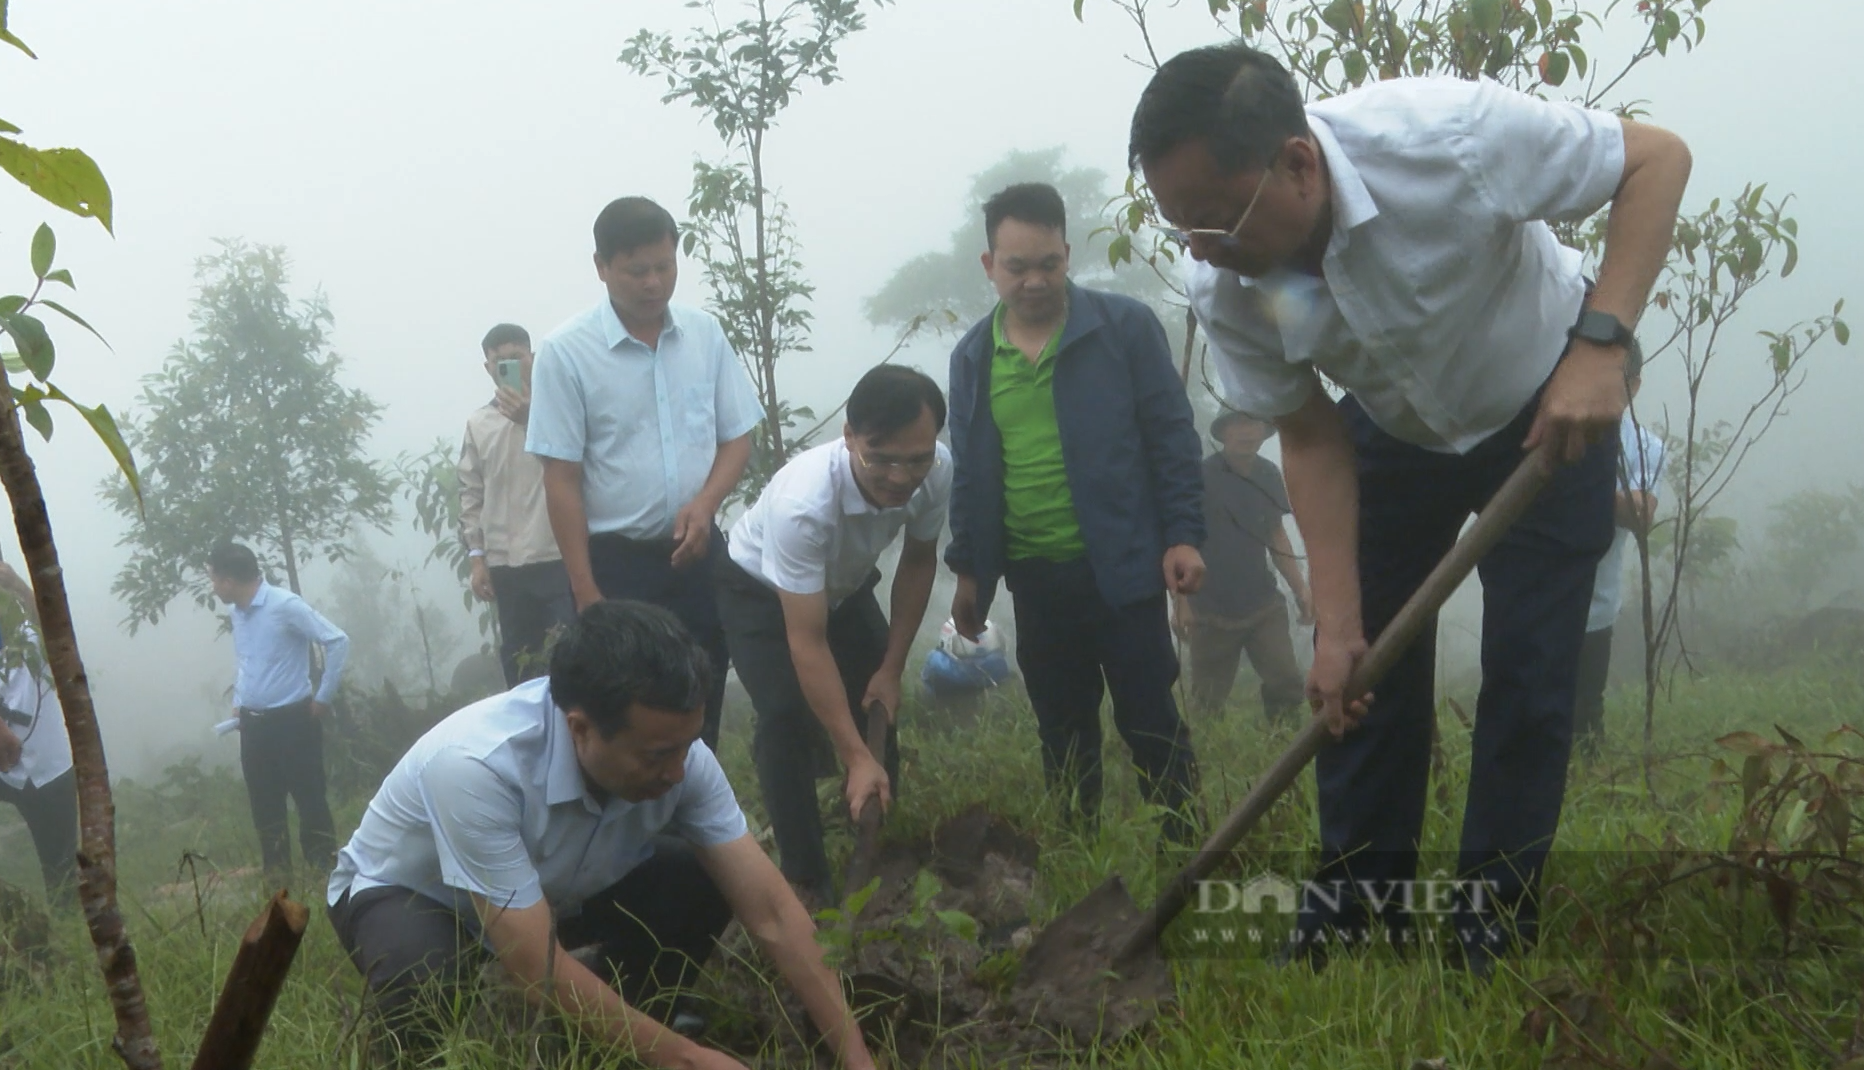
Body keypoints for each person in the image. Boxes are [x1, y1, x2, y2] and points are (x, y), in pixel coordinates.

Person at [1131, 43, 1690, 969]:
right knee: (1361, 684)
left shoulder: (1445, 138)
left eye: (1213, 221)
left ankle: (1490, 926)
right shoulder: (1235, 282)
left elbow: (1655, 158)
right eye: (1179, 225)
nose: (1200, 248)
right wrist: (1336, 623)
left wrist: (1601, 345)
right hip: (1389, 431)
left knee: (1530, 682)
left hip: (1548, 404)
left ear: (1299, 163)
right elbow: (1308, 433)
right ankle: (1354, 910)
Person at [326, 600, 878, 1070]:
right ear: (580, 728)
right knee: (423, 977)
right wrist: (688, 1059)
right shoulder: (477, 766)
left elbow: (775, 913)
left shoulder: (682, 760)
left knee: (697, 880)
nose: (678, 772)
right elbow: (532, 963)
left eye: (687, 746)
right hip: (414, 897)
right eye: (658, 755)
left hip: (555, 888)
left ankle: (609, 1037)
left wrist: (857, 1058)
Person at [945, 182, 1206, 843]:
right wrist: (970, 572)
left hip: (1122, 568)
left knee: (1149, 717)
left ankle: (1188, 852)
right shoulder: (974, 356)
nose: (1034, 281)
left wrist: (1182, 536)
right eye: (1016, 267)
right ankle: (1077, 851)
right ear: (989, 265)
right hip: (1035, 576)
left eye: (1048, 264)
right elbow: (973, 472)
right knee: (1061, 726)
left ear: (1067, 254)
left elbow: (1172, 437)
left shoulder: (1122, 329)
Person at [527, 197, 763, 750]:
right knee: (626, 712)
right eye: (637, 270)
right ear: (601, 267)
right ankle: (633, 832)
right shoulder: (567, 353)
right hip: (617, 564)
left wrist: (705, 504)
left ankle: (697, 822)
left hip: (697, 548)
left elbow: (736, 436)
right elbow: (560, 477)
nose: (654, 282)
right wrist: (586, 589)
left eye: (665, 266)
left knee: (700, 693)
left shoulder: (704, 335)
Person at [716, 365, 950, 906]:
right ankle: (806, 876)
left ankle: (874, 821)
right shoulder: (805, 504)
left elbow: (918, 560)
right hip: (759, 590)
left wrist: (891, 669)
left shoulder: (936, 471)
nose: (900, 476)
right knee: (784, 715)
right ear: (849, 438)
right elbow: (806, 641)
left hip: (842, 584)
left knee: (876, 696)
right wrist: (853, 753)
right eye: (882, 458)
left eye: (916, 458)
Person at [208, 541, 351, 877]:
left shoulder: (284, 605)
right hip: (253, 725)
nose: (213, 587)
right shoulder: (237, 612)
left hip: (293, 721)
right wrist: (239, 702)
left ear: (230, 580)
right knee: (265, 806)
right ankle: (278, 877)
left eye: (214, 579)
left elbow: (337, 640)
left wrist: (324, 697)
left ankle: (324, 872)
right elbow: (248, 659)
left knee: (310, 799)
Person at [1174, 411, 1311, 724]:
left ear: (1264, 431)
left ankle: (1284, 745)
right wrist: (1180, 603)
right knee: (1207, 701)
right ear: (1222, 432)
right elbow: (1183, 540)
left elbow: (1276, 533)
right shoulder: (1201, 476)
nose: (1246, 432)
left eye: (1253, 423)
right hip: (1210, 607)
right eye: (1236, 424)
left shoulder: (1268, 474)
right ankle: (1212, 756)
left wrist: (1301, 589)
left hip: (1262, 602)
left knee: (1286, 680)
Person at [459, 322, 575, 687]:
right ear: (487, 368)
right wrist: (477, 560)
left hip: (557, 555)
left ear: (532, 358)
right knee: (519, 660)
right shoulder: (478, 423)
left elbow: (577, 467)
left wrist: (530, 417)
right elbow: (471, 494)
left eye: (516, 357)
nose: (507, 365)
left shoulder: (558, 411)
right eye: (499, 361)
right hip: (506, 564)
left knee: (568, 654)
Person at [1574, 370, 1665, 758]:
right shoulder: (1555, 424)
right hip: (1536, 594)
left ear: (1636, 385)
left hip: (1597, 603)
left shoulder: (1643, 445)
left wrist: (1564, 492)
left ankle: (1585, 790)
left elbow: (1641, 513)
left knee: (1587, 711)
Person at [0, 560, 76, 907]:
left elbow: (55, 629)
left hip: (48, 761)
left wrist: (17, 584)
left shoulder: (27, 628)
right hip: (6, 764)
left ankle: (68, 936)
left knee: (60, 864)